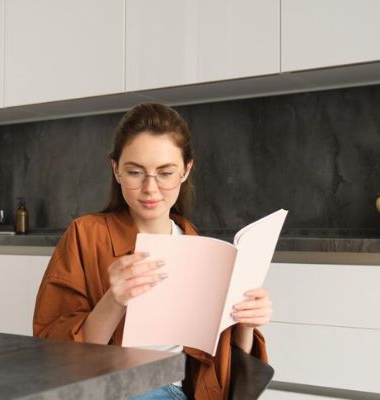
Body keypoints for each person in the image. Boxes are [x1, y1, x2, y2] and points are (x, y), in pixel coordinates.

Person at [32, 103, 273, 400]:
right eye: (135, 172)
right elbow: (55, 356)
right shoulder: (86, 234)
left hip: (167, 389)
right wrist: (114, 299)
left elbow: (221, 371)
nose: (150, 188)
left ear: (186, 170)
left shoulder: (199, 247)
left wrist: (245, 324)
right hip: (100, 388)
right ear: (116, 169)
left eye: (165, 173)